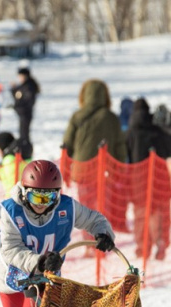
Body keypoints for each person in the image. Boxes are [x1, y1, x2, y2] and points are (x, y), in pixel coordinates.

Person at [0, 160, 116, 307]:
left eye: (48, 198)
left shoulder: (66, 208)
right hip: (13, 274)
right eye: (36, 197)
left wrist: (103, 233)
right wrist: (39, 261)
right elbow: (11, 249)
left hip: (45, 275)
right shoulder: (11, 211)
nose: (42, 204)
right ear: (24, 193)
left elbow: (93, 219)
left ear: (57, 195)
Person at [62, 79, 128, 232]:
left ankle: (88, 241)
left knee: (85, 207)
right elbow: (120, 144)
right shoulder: (111, 117)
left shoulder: (77, 116)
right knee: (101, 206)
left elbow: (67, 143)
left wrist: (66, 167)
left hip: (82, 169)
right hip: (105, 169)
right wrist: (120, 168)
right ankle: (100, 241)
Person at [125, 98, 171, 260]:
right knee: (157, 212)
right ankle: (159, 241)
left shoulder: (130, 133)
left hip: (137, 179)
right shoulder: (157, 131)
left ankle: (141, 246)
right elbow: (169, 151)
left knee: (140, 213)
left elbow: (126, 157)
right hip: (158, 178)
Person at [11, 67, 40, 145]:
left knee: (24, 134)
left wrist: (19, 107)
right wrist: (13, 89)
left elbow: (26, 101)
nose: (19, 78)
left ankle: (26, 151)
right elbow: (17, 96)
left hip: (25, 113)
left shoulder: (29, 86)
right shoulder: (24, 85)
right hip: (22, 113)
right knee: (22, 133)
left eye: (21, 76)